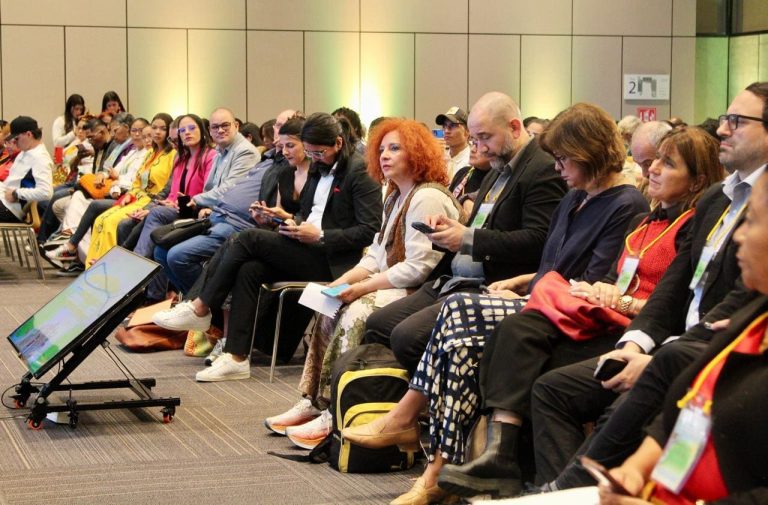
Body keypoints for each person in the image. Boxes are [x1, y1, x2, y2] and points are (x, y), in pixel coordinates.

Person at [344, 102, 649, 504]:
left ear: (588, 153)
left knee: (460, 311)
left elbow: (593, 283)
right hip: (544, 300)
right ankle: (442, 464)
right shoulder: (575, 198)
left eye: (563, 159)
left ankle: (428, 447)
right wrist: (525, 283)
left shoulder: (625, 204)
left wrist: (531, 289)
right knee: (460, 334)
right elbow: (552, 265)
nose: (558, 167)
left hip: (571, 314)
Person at [528, 82, 768, 492]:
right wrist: (636, 345)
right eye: (725, 119)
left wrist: (656, 352)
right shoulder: (716, 199)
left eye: (737, 121)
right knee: (551, 386)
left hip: (705, 351)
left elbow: (737, 307)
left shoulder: (641, 206)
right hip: (670, 341)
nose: (722, 129)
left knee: (640, 386)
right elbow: (673, 288)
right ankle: (557, 486)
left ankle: (566, 492)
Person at [265, 118, 464, 449]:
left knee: (357, 311)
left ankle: (338, 409)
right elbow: (376, 254)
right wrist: (342, 282)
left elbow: (418, 269)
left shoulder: (426, 197)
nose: (384, 155)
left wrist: (362, 288)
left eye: (395, 148)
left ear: (417, 153)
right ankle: (315, 399)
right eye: (382, 149)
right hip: (399, 282)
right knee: (328, 304)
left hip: (426, 289)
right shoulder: (395, 195)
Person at [153, 112, 383, 382]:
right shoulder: (318, 167)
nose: (314, 158)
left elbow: (369, 230)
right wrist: (287, 219)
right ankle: (236, 358)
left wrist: (321, 236)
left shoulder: (359, 172)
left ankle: (200, 307)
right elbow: (310, 215)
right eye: (310, 152)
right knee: (249, 269)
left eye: (319, 152)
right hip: (306, 246)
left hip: (333, 261)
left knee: (245, 238)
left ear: (338, 143)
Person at [362, 91, 568, 375]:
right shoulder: (496, 169)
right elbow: (479, 227)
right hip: (456, 277)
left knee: (406, 337)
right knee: (378, 324)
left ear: (514, 127)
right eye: (475, 139)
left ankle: (432, 398)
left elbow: (538, 240)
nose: (480, 148)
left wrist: (468, 239)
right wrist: (451, 230)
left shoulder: (542, 170)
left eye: (485, 137)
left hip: (493, 283)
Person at [599, 170, 768, 505]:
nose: (738, 235)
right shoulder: (753, 313)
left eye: (752, 222)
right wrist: (636, 469)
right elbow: (689, 409)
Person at [84, 113, 175, 265]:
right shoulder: (150, 153)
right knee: (101, 220)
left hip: (151, 200)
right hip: (136, 196)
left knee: (112, 222)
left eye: (163, 128)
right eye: (154, 128)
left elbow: (167, 190)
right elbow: (137, 180)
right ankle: (94, 267)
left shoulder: (172, 154)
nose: (157, 132)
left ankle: (110, 267)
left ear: (170, 131)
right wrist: (129, 194)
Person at [131, 113, 216, 260]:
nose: (187, 132)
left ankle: (136, 262)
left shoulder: (210, 155)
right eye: (182, 130)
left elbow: (209, 192)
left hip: (197, 211)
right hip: (179, 208)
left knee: (156, 213)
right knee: (130, 223)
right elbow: (173, 192)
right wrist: (170, 202)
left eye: (192, 128)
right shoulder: (180, 157)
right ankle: (133, 260)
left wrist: (181, 202)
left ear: (202, 130)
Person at [0, 116, 53, 222]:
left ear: (29, 134)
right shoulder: (26, 151)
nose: (14, 142)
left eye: (16, 139)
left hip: (9, 209)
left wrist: (16, 193)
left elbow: (46, 192)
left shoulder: (40, 157)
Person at [436, 106, 471, 178]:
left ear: (467, 131)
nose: (446, 131)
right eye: (444, 126)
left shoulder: (472, 161)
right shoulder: (440, 158)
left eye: (453, 126)